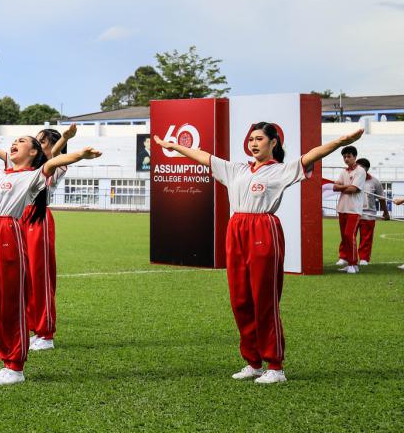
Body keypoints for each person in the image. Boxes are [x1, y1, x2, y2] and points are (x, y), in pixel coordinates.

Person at [154, 124, 363, 385]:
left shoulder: (281, 170)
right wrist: (174, 146)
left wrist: (341, 141)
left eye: (260, 139)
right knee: (240, 300)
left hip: (263, 229)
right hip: (236, 230)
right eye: (251, 139)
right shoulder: (236, 169)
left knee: (264, 299)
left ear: (273, 142)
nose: (253, 143)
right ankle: (253, 363)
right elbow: (204, 156)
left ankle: (275, 366)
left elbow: (312, 155)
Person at [0, 134, 101, 386]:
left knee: (12, 299)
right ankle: (7, 361)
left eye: (22, 141)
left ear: (33, 152)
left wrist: (80, 155)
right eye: (14, 141)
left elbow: (53, 162)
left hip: (7, 232)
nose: (15, 143)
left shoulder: (32, 176)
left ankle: (15, 366)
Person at [0, 124, 77, 350]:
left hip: (37, 219)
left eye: (42, 142)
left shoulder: (52, 166)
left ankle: (45, 332)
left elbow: (55, 156)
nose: (38, 144)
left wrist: (64, 139)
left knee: (40, 275)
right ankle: (30, 326)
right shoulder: (18, 166)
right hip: (15, 219)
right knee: (22, 278)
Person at [332, 145, 366, 273]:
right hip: (342, 208)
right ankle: (349, 262)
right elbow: (334, 187)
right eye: (344, 157)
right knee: (344, 236)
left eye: (349, 156)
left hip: (354, 209)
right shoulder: (344, 171)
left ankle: (353, 264)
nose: (346, 159)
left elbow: (354, 189)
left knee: (349, 235)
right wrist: (345, 187)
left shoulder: (360, 171)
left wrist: (342, 187)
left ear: (355, 157)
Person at [355, 158, 388, 266]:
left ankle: (364, 258)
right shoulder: (351, 178)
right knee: (349, 236)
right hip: (353, 212)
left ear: (366, 169)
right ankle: (347, 258)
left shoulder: (375, 181)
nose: (357, 169)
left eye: (360, 168)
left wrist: (385, 212)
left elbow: (381, 198)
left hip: (368, 214)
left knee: (366, 238)